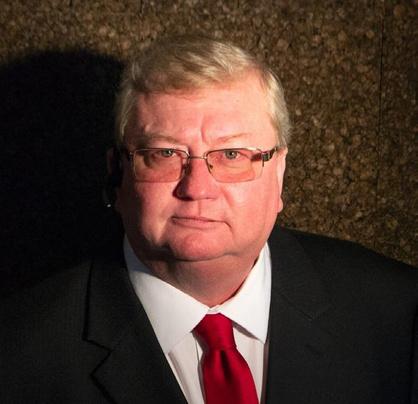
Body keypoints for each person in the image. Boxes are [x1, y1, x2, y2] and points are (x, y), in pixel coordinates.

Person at [0, 36, 417, 404]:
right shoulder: (18, 353)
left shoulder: (399, 314)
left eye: (232, 154)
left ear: (279, 172)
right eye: (165, 154)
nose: (197, 188)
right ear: (118, 173)